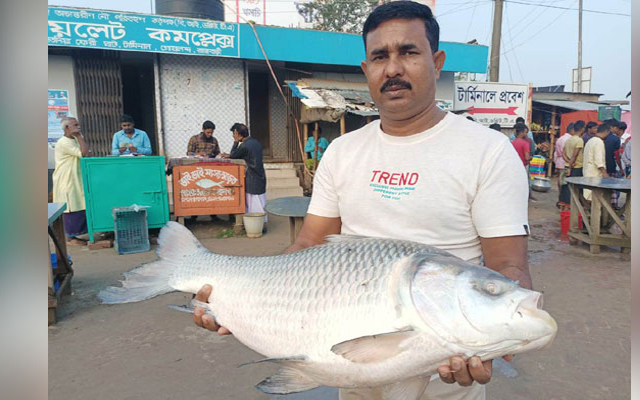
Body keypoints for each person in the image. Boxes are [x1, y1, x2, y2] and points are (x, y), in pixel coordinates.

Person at [196, 2, 530, 399]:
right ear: (366, 70)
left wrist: (499, 336)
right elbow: (309, 244)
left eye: (409, 52)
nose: (393, 68)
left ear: (437, 61)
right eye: (379, 56)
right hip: (350, 368)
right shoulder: (343, 150)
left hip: (441, 372)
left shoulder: (487, 151)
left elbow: (507, 265)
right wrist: (241, 300)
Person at [52, 118, 90, 245]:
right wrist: (79, 136)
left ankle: (78, 233)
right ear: (67, 128)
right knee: (71, 204)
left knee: (80, 201)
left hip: (76, 176)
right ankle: (71, 237)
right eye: (75, 125)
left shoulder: (74, 139)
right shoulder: (63, 142)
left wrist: (79, 137)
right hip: (67, 178)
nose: (79, 127)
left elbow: (87, 152)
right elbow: (83, 153)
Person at [222, 123, 268, 228]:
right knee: (260, 202)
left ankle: (257, 226)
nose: (233, 136)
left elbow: (234, 155)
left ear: (237, 133)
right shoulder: (255, 142)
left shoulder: (244, 146)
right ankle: (262, 223)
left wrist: (235, 142)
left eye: (234, 134)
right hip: (259, 176)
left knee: (253, 203)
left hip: (252, 178)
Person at [558, 120, 585, 205]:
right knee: (575, 189)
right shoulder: (579, 141)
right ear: (582, 129)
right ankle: (572, 208)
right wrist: (571, 165)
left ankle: (565, 206)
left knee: (566, 187)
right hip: (576, 167)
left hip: (567, 166)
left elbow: (564, 154)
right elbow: (575, 155)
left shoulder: (569, 140)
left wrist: (568, 163)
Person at [583, 122, 611, 200]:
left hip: (588, 171)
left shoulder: (591, 140)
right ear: (606, 132)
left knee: (589, 194)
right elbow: (599, 162)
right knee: (593, 197)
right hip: (594, 174)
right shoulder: (599, 142)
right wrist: (605, 174)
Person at [554, 123, 573, 208]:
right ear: (572, 130)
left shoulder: (560, 138)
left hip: (559, 161)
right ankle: (563, 200)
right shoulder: (569, 139)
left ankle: (560, 199)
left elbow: (556, 152)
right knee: (564, 183)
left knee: (560, 181)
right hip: (565, 161)